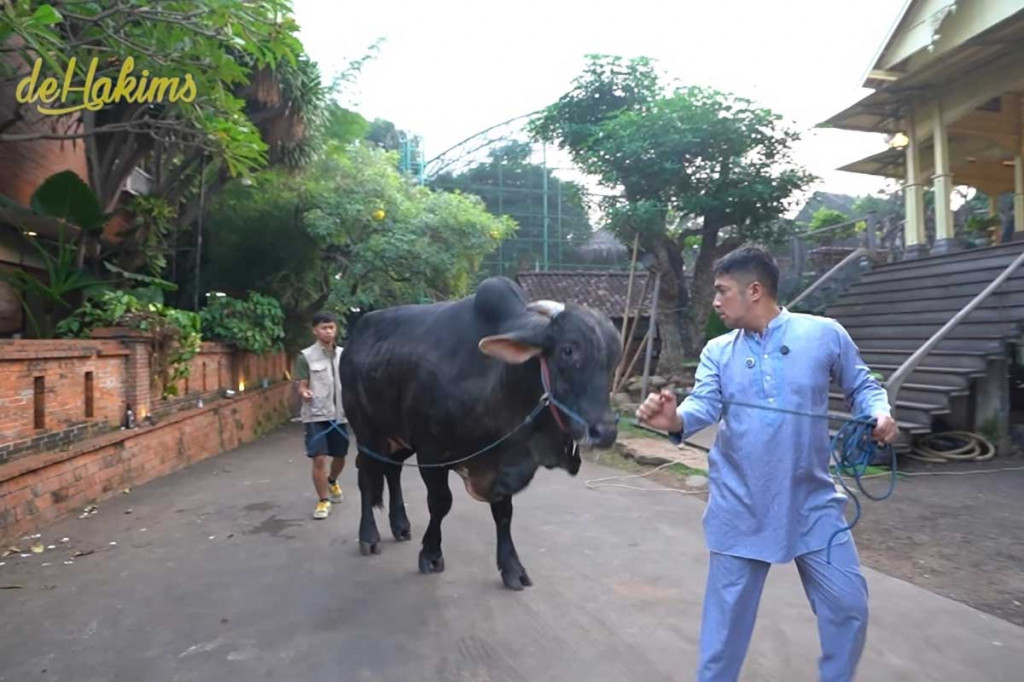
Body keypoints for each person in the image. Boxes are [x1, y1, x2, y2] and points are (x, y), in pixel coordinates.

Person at [636, 247, 898, 682]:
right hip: (741, 507)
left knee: (849, 606)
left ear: (754, 291)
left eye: (722, 291)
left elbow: (864, 385)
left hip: (813, 504)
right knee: (723, 636)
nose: (715, 301)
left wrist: (880, 413)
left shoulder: (825, 334)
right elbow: (701, 405)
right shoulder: (718, 352)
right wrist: (674, 419)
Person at [294, 312, 349, 520]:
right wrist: (304, 392)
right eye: (324, 328)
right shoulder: (305, 356)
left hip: (340, 414)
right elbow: (301, 385)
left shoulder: (344, 354)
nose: (328, 331)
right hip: (316, 415)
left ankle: (332, 480)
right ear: (315, 331)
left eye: (331, 327)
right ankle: (323, 500)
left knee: (340, 456)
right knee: (318, 458)